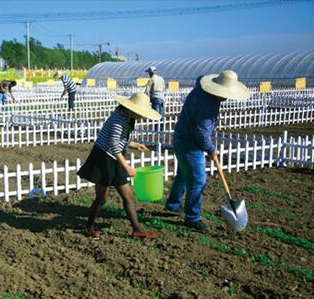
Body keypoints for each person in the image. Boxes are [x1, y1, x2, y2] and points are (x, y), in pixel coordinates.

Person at [165, 70, 249, 232]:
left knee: (183, 174)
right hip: (190, 143)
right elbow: (202, 133)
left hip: (180, 137)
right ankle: (192, 218)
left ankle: (173, 205)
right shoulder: (209, 104)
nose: (227, 97)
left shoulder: (199, 90)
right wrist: (211, 149)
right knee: (198, 181)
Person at [77, 93, 160, 239]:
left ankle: (137, 229)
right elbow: (114, 146)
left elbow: (119, 139)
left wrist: (134, 144)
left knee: (128, 196)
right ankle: (89, 226)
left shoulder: (126, 117)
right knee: (101, 199)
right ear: (131, 109)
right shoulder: (118, 120)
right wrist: (127, 167)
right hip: (103, 159)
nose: (141, 116)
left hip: (114, 159)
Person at [144, 66, 166, 131]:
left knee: (155, 114)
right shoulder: (161, 78)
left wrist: (147, 96)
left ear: (150, 72)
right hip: (161, 98)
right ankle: (162, 129)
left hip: (155, 98)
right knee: (161, 113)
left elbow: (147, 91)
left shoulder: (151, 79)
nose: (148, 74)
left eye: (149, 72)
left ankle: (156, 129)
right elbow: (164, 88)